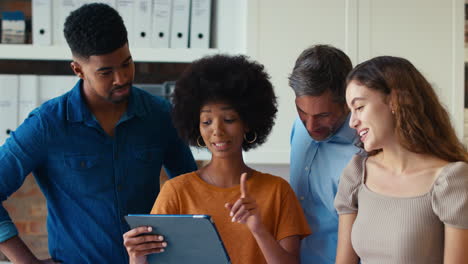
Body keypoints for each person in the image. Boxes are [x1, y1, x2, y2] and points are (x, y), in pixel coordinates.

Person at [0, 3, 196, 263]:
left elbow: (191, 191)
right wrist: (27, 262)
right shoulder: (46, 125)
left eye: (127, 64)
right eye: (106, 72)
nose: (121, 77)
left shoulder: (160, 115)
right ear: (78, 70)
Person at [123, 54, 311, 264]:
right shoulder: (176, 192)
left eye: (229, 119)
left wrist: (258, 229)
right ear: (196, 126)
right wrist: (136, 257)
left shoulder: (277, 191)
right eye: (206, 121)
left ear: (247, 122)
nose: (217, 130)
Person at [334, 56, 468, 263]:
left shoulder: (450, 180)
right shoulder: (357, 173)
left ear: (394, 101)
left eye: (359, 107)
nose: (352, 122)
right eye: (351, 111)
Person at [288, 44, 359, 263]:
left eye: (323, 115)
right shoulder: (298, 129)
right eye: (302, 111)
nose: (310, 126)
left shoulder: (366, 150)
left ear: (348, 101)